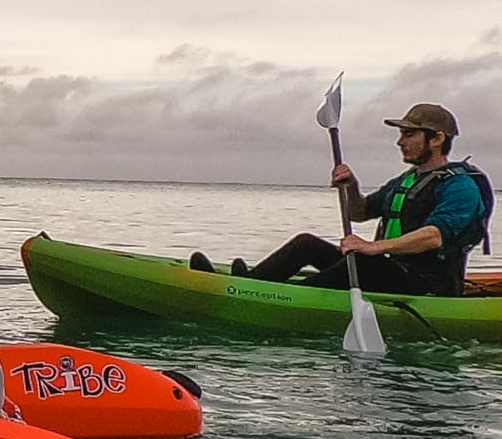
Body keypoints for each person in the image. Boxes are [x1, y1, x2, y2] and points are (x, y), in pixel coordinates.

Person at [202, 102, 493, 296]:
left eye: (408, 134)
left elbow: (434, 237)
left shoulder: (460, 187)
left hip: (429, 286)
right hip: (393, 272)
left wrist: (373, 247)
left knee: (365, 262)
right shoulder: (408, 180)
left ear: (437, 139)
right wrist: (351, 188)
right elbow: (360, 212)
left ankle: (279, 298)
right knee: (307, 244)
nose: (400, 141)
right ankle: (248, 285)